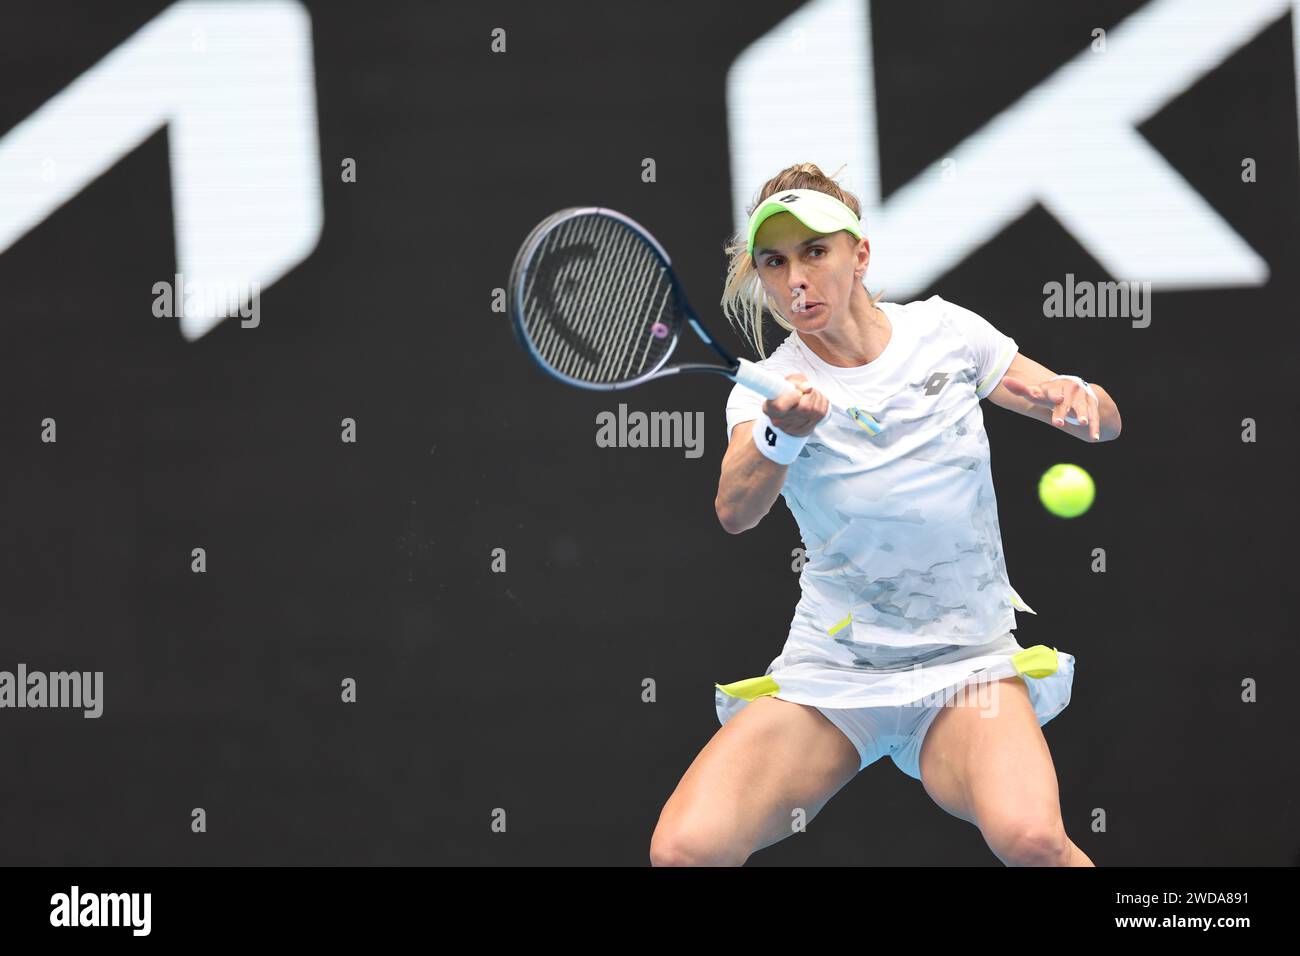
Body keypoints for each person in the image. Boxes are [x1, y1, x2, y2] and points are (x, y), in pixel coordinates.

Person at [649, 162, 1121, 867]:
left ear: (859, 254)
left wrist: (1084, 402)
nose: (795, 278)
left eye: (815, 252)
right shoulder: (767, 393)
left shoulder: (948, 334)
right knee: (685, 850)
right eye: (774, 263)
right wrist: (783, 434)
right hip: (835, 676)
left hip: (969, 669)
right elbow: (734, 512)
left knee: (1034, 841)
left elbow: (1094, 415)